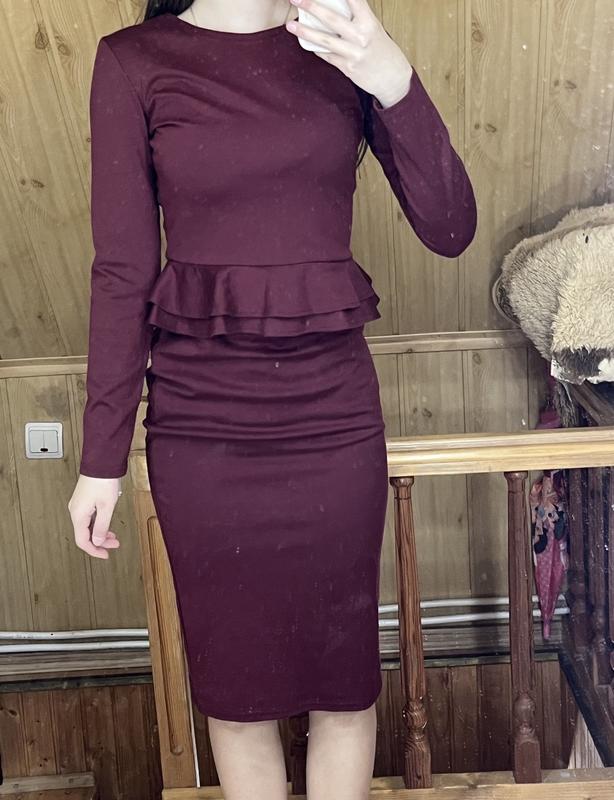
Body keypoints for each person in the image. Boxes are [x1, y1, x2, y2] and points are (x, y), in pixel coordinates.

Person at [67, 1, 477, 798]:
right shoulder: (132, 60)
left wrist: (392, 76)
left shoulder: (344, 44)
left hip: (333, 419)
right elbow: (121, 271)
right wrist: (100, 459)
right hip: (201, 425)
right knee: (237, 691)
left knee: (344, 683)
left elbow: (451, 227)